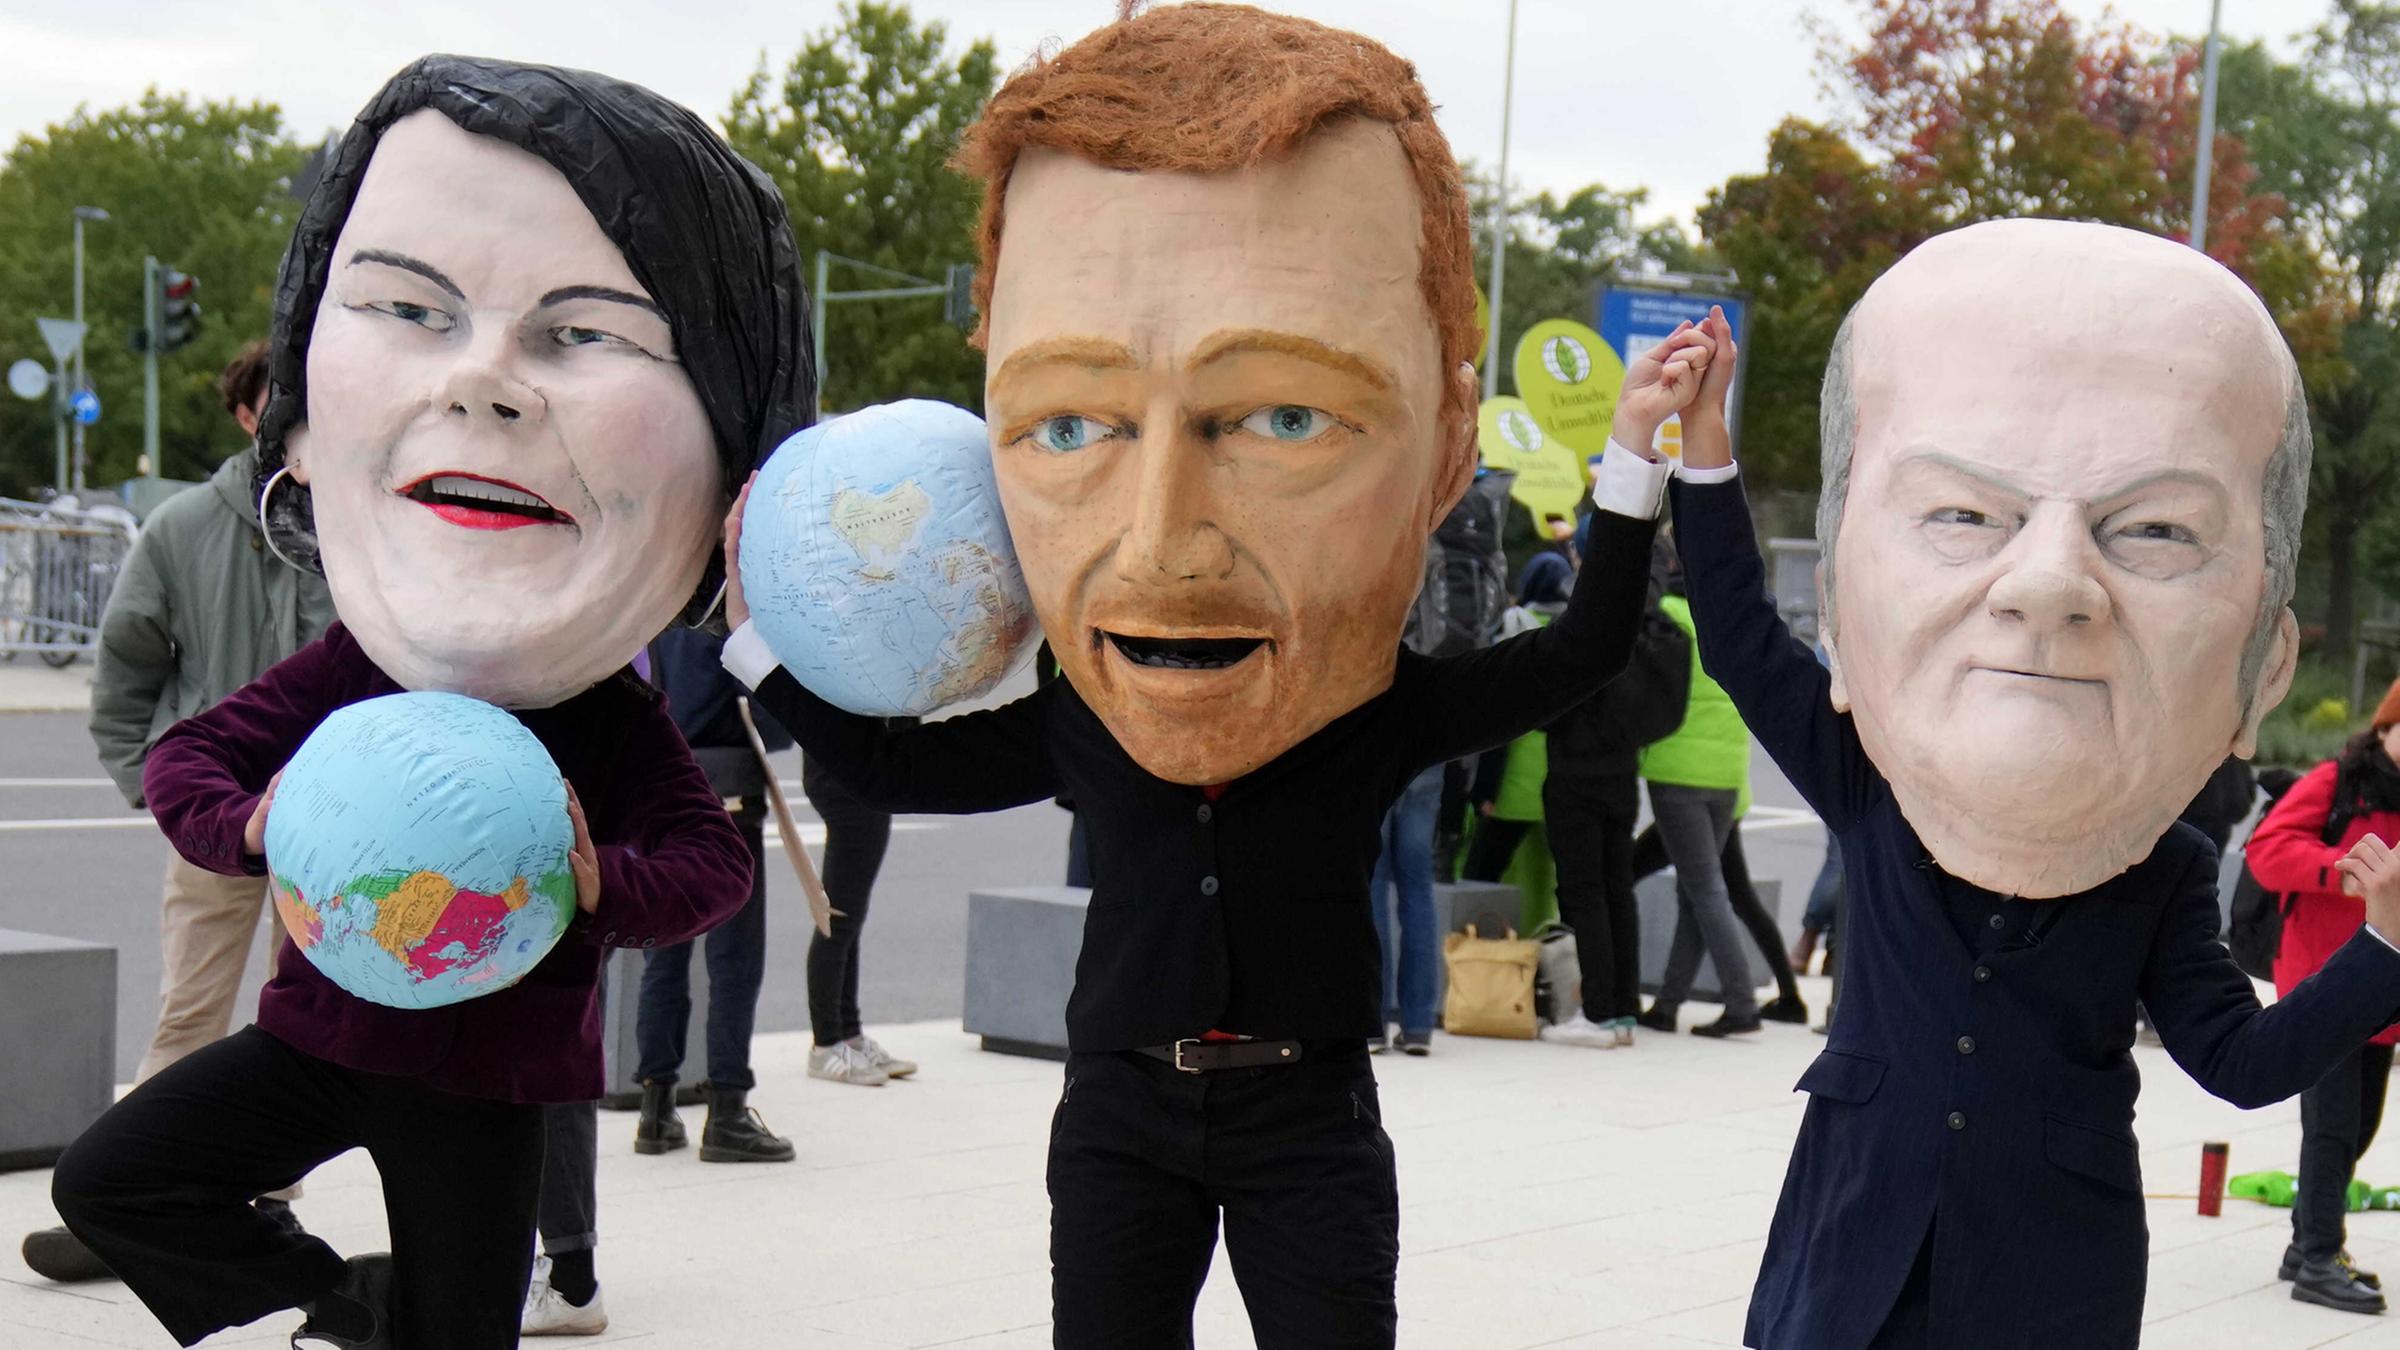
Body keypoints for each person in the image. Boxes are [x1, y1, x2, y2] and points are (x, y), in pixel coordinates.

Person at [721, 10, 1707, 1338]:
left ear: (1445, 445)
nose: (1161, 545)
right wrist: (752, 633)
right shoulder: (1080, 724)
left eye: (1284, 417)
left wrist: (1635, 456)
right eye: (1071, 425)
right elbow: (886, 765)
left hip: (1308, 1116)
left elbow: (1583, 647)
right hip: (1122, 1114)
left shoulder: (1379, 716)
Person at [43, 56, 792, 1348]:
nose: (485, 383)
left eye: (585, 332)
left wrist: (598, 880)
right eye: (408, 308)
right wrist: (258, 825)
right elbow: (188, 762)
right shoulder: (359, 666)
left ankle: (419, 1307)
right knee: (112, 1180)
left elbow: (712, 866)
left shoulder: (604, 710)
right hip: (320, 1040)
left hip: (489, 1082)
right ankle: (348, 1294)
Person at [1670, 219, 2400, 1349]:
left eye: (2153, 530)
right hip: (1858, 1232)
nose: (2049, 585)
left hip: (2047, 1262)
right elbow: (1736, 633)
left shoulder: (2161, 870)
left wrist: (2384, 947)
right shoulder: (1871, 789)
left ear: (2265, 670)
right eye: (1966, 515)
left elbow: (2241, 1061)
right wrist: (1704, 442)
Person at [22, 340, 340, 1285]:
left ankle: (267, 1193)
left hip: (339, 825)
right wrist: (152, 784)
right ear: (246, 416)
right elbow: (124, 667)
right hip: (217, 817)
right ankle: (136, 1195)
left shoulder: (360, 522)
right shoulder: (182, 527)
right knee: (190, 1011)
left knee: (305, 1021)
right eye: (278, 403)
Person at [2246, 677, 2400, 1314]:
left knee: (2359, 1126)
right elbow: (2266, 850)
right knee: (2332, 1127)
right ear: (2386, 728)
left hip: (2383, 986)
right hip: (2324, 981)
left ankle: (2302, 1244)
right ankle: (2318, 1258)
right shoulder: (2339, 781)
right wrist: (2343, 873)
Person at [632, 625, 806, 1144]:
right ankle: (727, 1107)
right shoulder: (726, 624)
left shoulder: (650, 620)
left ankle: (655, 1107)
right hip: (728, 795)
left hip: (659, 792)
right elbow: (770, 718)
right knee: (734, 957)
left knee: (664, 953)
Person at [1538, 532, 1685, 1049]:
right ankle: (1623, 1009)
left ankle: (1597, 1011)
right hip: (1622, 772)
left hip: (1574, 771)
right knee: (1618, 889)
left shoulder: (1590, 620)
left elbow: (1549, 697)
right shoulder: (1651, 625)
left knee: (1584, 892)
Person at [1630, 554, 1768, 1037]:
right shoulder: (1725, 618)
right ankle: (1667, 1005)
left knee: (1706, 890)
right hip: (1727, 772)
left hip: (1678, 770)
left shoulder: (1667, 613)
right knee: (1695, 893)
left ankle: (1742, 1004)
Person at [801, 752, 918, 1085]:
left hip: (854, 775)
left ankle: (847, 1035)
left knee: (847, 918)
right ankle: (826, 1044)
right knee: (838, 920)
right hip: (849, 777)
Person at [1460, 552, 1573, 884]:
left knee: (1481, 872)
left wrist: (1483, 790)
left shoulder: (1514, 628)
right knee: (1547, 877)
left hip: (1511, 786)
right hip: (1560, 786)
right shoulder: (1575, 634)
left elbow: (1498, 717)